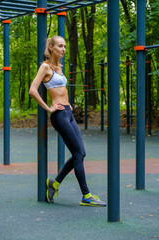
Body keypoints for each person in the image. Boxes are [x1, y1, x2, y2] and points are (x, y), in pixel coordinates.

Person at [29, 36, 106, 207]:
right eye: (60, 46)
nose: (63, 49)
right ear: (50, 47)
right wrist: (49, 109)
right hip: (59, 116)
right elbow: (32, 90)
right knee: (78, 153)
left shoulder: (59, 67)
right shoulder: (45, 67)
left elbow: (62, 89)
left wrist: (68, 103)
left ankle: (54, 183)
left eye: (65, 46)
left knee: (81, 153)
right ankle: (86, 196)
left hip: (67, 113)